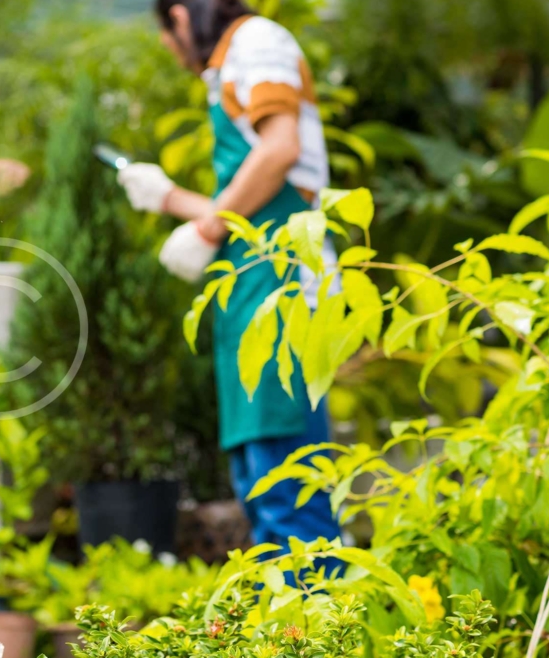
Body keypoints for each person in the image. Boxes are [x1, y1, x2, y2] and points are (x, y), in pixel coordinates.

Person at [116, 0, 343, 554]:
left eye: (169, 38)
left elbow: (280, 148)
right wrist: (171, 199)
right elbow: (247, 204)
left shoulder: (255, 41)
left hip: (283, 285)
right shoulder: (232, 66)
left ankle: (317, 629)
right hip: (254, 281)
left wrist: (209, 229)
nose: (177, 55)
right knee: (259, 479)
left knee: (288, 485)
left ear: (181, 16)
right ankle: (290, 629)